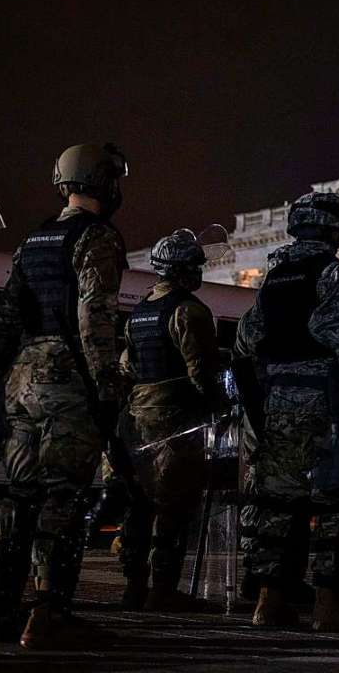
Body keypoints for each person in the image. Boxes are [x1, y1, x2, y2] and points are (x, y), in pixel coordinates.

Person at [0, 143, 128, 647]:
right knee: (62, 498)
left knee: (19, 496)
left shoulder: (34, 239)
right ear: (105, 182)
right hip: (68, 379)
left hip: (23, 378)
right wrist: (107, 388)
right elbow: (95, 319)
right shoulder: (98, 239)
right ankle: (47, 613)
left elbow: (8, 318)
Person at [236, 192, 339, 632]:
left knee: (279, 503)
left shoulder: (275, 276)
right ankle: (327, 604)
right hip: (323, 402)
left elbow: (247, 339)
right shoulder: (331, 274)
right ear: (332, 230)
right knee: (333, 502)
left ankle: (269, 601)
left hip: (278, 400)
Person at [117, 229, 227, 611]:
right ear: (182, 271)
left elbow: (126, 367)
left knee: (138, 505)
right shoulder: (189, 310)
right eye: (196, 266)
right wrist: (220, 407)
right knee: (174, 506)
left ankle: (133, 587)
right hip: (175, 419)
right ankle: (163, 590)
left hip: (137, 417)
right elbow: (202, 371)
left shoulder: (140, 312)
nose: (199, 272)